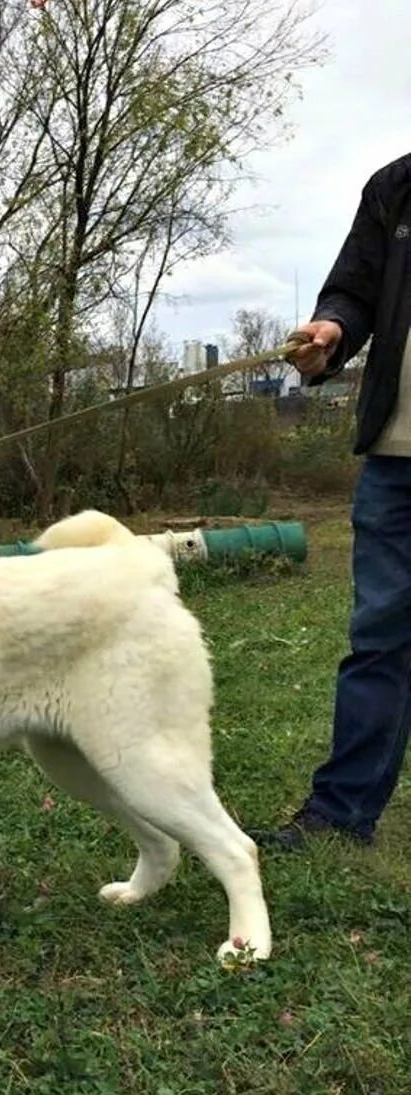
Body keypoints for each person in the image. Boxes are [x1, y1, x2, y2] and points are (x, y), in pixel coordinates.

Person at [256, 152, 411, 849]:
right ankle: (342, 816)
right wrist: (330, 329)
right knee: (376, 640)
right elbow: (353, 290)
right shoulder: (395, 187)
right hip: (396, 456)